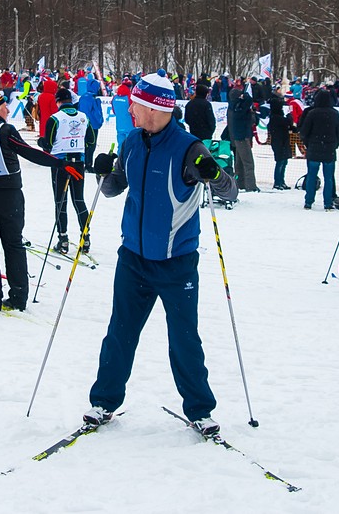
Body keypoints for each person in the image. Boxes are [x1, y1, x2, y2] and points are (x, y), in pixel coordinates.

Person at [82, 73, 237, 435]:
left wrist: (213, 174)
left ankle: (200, 409)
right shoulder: (132, 141)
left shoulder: (188, 147)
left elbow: (228, 191)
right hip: (133, 259)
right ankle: (103, 402)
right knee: (119, 333)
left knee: (184, 337)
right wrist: (101, 172)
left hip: (176, 263)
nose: (130, 110)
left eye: (135, 104)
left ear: (153, 108)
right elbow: (112, 189)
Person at [0, 87, 79, 311]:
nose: (7, 109)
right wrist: (61, 163)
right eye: (4, 105)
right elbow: (28, 151)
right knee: (13, 244)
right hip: (8, 194)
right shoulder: (5, 130)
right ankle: (18, 297)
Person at [40, 88, 97, 254]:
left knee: (60, 201)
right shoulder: (83, 117)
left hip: (60, 164)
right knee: (79, 200)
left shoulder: (55, 118)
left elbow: (48, 145)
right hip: (78, 162)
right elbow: (91, 140)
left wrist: (41, 142)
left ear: (58, 101)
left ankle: (63, 239)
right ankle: (85, 239)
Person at [298, 87, 339, 209]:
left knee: (311, 176)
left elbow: (304, 131)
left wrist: (309, 144)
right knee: (329, 178)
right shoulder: (334, 113)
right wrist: (334, 145)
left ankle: (308, 201)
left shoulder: (312, 113)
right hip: (329, 149)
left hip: (314, 148)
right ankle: (328, 203)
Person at [226, 85, 259, 192]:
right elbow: (249, 101)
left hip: (237, 136)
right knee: (248, 163)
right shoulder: (239, 108)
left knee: (239, 163)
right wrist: (246, 96)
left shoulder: (233, 107)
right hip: (242, 137)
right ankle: (251, 185)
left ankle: (240, 183)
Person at [267, 85, 292, 190]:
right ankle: (278, 181)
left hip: (282, 141)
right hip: (279, 142)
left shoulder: (275, 117)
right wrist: (290, 115)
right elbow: (288, 123)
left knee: (283, 161)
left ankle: (281, 181)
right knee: (280, 162)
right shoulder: (277, 118)